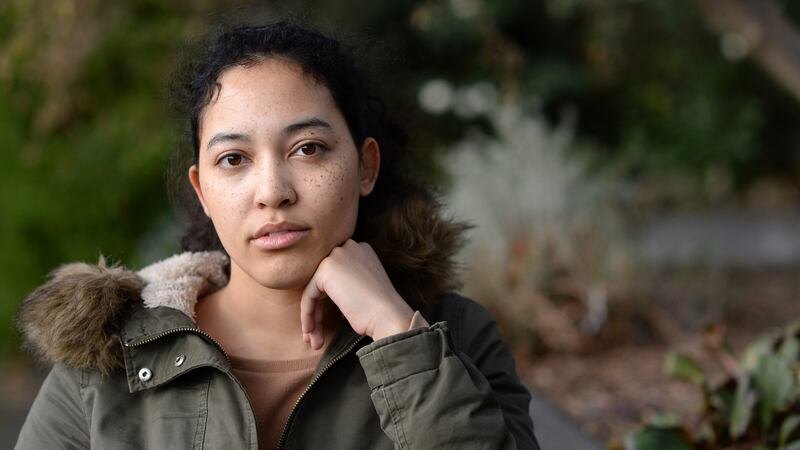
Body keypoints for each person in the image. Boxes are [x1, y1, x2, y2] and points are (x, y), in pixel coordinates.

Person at [15, 21, 540, 449]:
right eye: (233, 159)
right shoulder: (107, 358)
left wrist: (395, 332)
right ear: (202, 191)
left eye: (308, 148)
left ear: (365, 166)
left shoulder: (456, 337)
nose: (272, 192)